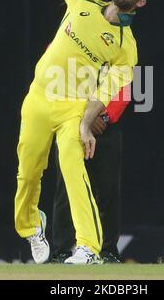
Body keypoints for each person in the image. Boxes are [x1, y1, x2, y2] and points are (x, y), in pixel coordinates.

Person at [14, 0, 155, 265]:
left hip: (73, 107)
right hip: (38, 98)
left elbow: (106, 91)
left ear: (140, 2)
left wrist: (84, 125)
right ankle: (32, 227)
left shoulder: (126, 46)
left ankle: (88, 247)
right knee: (28, 173)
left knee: (73, 166)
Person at [50, 84, 131, 264]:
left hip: (106, 128)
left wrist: (104, 117)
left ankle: (108, 251)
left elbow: (124, 87)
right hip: (71, 128)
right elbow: (58, 87)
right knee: (66, 190)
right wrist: (85, 118)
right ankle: (62, 251)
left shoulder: (115, 57)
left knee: (108, 190)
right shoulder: (65, 56)